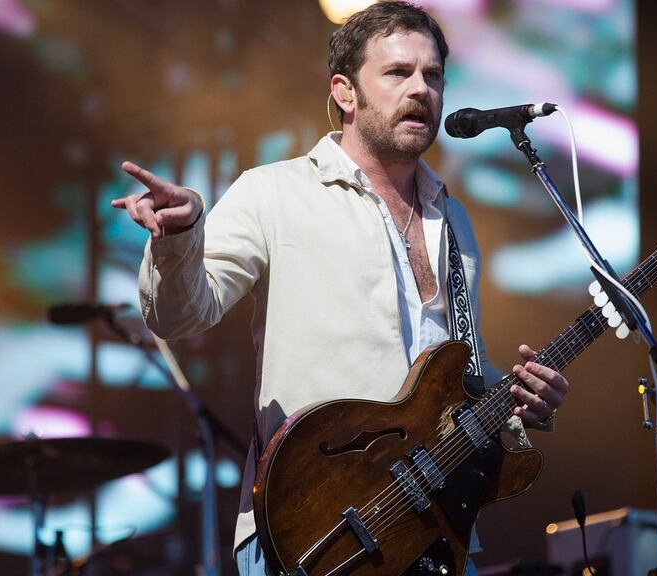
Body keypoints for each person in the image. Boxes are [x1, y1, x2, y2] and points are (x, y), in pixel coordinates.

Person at [111, 2, 570, 574]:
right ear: (345, 93)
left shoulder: (454, 221)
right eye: (398, 73)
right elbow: (177, 316)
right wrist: (180, 237)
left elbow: (446, 374)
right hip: (312, 527)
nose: (421, 90)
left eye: (433, 76)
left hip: (435, 531)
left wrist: (520, 401)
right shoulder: (273, 193)